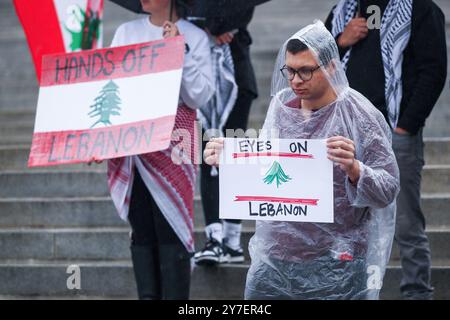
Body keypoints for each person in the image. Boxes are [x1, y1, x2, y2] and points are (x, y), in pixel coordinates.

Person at [204, 21, 400, 299]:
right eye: (290, 70)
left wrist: (355, 168)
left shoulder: (359, 114)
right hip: (276, 256)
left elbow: (389, 188)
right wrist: (231, 160)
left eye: (306, 71)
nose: (295, 80)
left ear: (332, 66)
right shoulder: (282, 106)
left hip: (336, 259)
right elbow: (270, 168)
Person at [324, 0, 447, 300]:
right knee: (342, 221)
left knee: (405, 221)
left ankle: (417, 292)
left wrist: (406, 126)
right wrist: (341, 40)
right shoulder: (343, 11)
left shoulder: (420, 9)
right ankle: (346, 291)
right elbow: (313, 63)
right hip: (346, 133)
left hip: (395, 132)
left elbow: (434, 70)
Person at [107, 0, 214, 299]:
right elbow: (110, 85)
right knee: (141, 226)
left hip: (176, 141)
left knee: (173, 225)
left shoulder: (194, 36)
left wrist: (179, 52)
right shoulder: (126, 32)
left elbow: (199, 96)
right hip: (134, 144)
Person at [195, 6, 259, 266]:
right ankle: (214, 237)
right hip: (198, 78)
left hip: (237, 74)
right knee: (208, 155)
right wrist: (205, 29)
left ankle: (232, 239)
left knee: (233, 155)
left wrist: (219, 26)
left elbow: (245, 6)